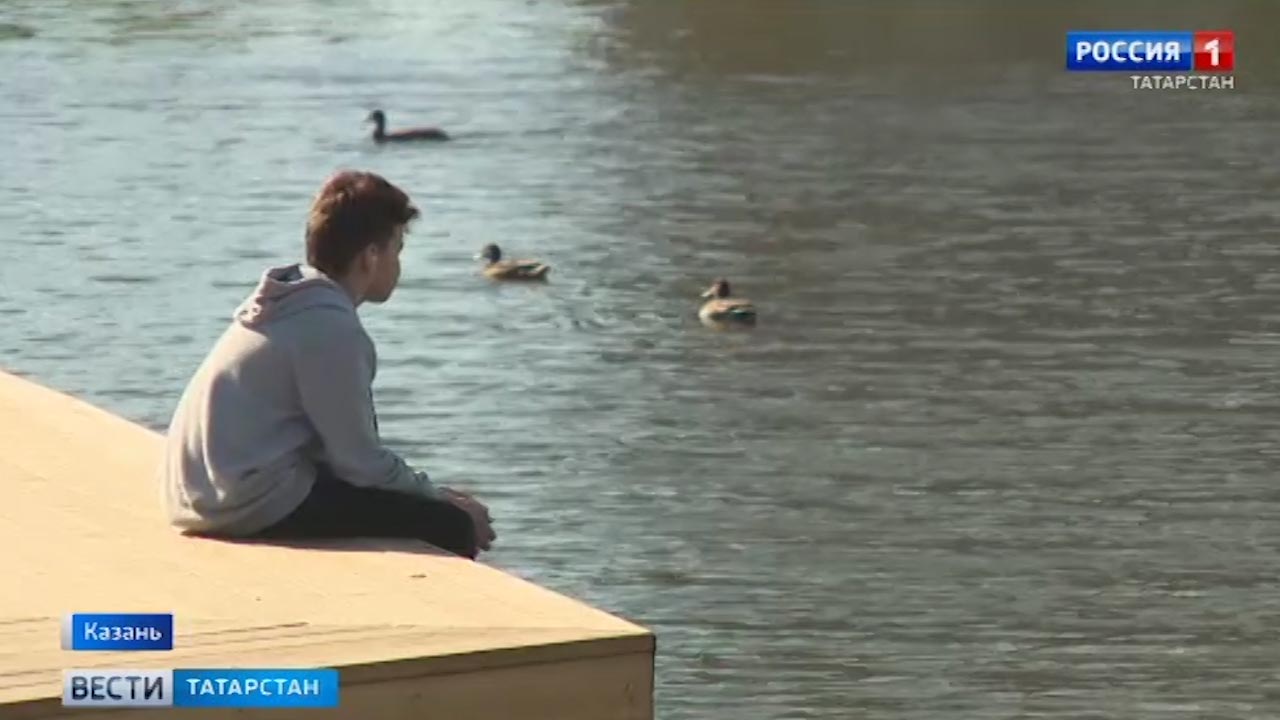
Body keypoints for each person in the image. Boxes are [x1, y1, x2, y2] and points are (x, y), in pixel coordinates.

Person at [159, 170, 495, 559]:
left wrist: (426, 492)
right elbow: (361, 464)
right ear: (370, 256)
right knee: (451, 524)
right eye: (397, 249)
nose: (399, 265)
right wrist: (438, 498)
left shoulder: (289, 305)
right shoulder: (331, 329)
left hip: (198, 495)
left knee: (418, 504)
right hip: (245, 502)